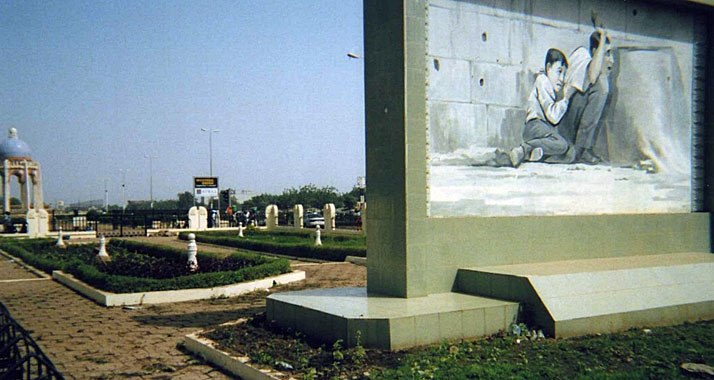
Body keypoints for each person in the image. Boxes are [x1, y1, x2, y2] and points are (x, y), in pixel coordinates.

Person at [509, 48, 576, 167]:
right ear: (548, 67)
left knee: (570, 152)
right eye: (559, 71)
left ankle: (536, 154)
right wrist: (566, 98)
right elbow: (553, 117)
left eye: (564, 74)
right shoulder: (543, 81)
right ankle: (523, 149)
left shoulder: (550, 85)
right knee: (562, 144)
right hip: (535, 126)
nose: (562, 78)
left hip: (545, 130)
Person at [558, 28, 614, 164]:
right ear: (595, 52)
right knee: (601, 85)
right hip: (562, 126)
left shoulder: (588, 60)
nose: (611, 60)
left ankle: (582, 149)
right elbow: (593, 76)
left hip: (568, 126)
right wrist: (603, 37)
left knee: (601, 86)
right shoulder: (582, 56)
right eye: (606, 54)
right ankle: (580, 150)